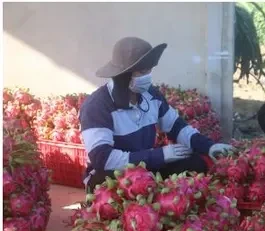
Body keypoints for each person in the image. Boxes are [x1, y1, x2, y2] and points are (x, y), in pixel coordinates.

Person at [80, 37, 233, 193]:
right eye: (142, 71)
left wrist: (209, 146)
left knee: (195, 164)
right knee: (113, 181)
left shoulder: (151, 95)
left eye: (150, 70)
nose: (148, 76)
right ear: (124, 75)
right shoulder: (96, 107)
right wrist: (159, 156)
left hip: (143, 170)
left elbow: (177, 127)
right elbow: (103, 159)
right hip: (109, 176)